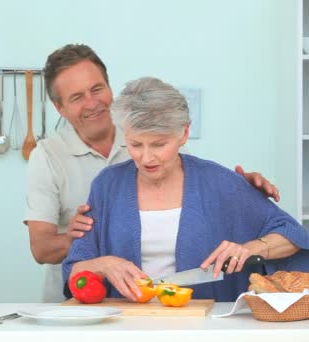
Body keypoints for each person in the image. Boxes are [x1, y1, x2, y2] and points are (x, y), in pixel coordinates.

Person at [25, 43, 280, 303]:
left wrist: (243, 193)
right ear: (60, 108)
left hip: (199, 313)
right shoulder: (61, 163)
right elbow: (50, 253)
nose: (147, 157)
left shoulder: (162, 137)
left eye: (97, 89)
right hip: (95, 306)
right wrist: (86, 245)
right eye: (77, 97)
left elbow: (200, 183)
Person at [61, 77, 309, 302]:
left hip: (206, 324)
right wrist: (104, 264)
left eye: (159, 144)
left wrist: (251, 248)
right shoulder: (107, 185)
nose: (147, 157)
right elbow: (75, 270)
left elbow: (293, 235)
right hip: (128, 324)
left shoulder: (220, 182)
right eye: (135, 144)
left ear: (184, 133)